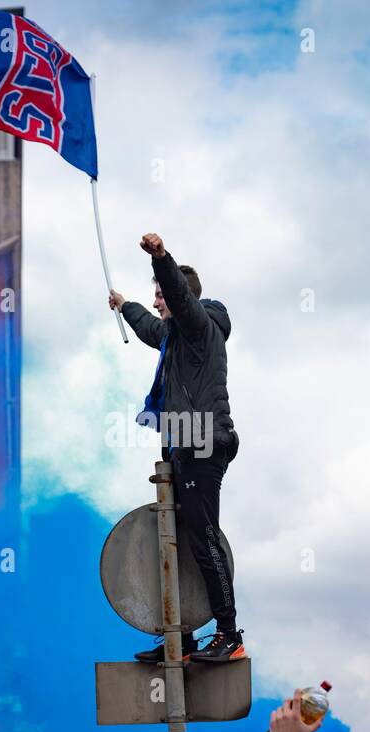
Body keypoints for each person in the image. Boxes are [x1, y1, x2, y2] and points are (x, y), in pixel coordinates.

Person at [110, 231, 242, 664]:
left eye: (161, 296)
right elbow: (151, 329)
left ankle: (229, 634)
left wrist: (161, 258)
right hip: (183, 447)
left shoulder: (201, 327)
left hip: (203, 442)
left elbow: (180, 304)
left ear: (180, 296)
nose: (157, 303)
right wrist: (124, 304)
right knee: (181, 544)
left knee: (203, 539)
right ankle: (183, 639)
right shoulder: (173, 339)